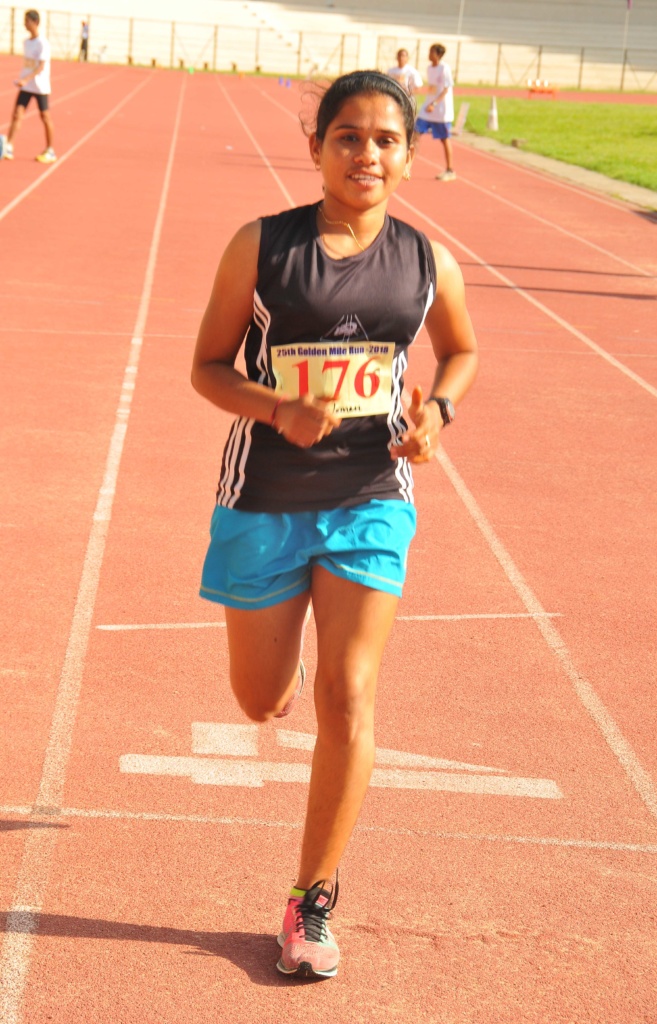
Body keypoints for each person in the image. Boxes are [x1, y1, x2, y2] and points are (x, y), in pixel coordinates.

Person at [191, 70, 478, 979]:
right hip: (265, 495)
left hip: (370, 496)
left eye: (385, 139)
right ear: (315, 147)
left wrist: (437, 413)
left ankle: (310, 900)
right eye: (347, 136)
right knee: (260, 701)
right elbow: (207, 367)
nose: (366, 154)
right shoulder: (262, 246)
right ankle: (279, 667)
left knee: (347, 696)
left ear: (408, 154)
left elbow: (461, 350)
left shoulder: (427, 263)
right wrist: (277, 408)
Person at [0, 9, 56, 164]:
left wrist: (26, 79)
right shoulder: (26, 42)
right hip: (26, 86)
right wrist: (23, 80)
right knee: (17, 114)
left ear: (35, 22)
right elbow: (28, 65)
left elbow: (41, 66)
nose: (24, 24)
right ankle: (9, 146)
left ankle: (50, 149)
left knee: (45, 117)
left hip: (40, 86)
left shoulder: (42, 43)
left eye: (27, 21)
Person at [415, 43, 455, 181]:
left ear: (438, 55)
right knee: (415, 133)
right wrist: (429, 102)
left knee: (444, 139)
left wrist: (435, 103)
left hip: (441, 110)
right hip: (428, 109)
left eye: (431, 52)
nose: (429, 54)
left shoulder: (444, 68)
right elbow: (432, 88)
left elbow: (446, 89)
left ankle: (450, 170)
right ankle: (405, 164)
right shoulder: (429, 68)